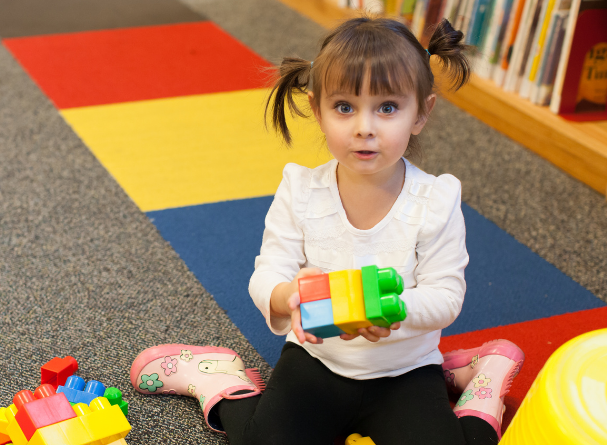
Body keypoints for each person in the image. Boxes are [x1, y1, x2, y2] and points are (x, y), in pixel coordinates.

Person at [129, 15, 524, 445]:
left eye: (387, 107)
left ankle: (481, 384)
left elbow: (446, 297)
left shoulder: (435, 200)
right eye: (344, 107)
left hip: (404, 371)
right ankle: (219, 381)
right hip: (317, 363)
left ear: (421, 113)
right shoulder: (301, 190)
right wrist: (289, 296)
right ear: (317, 111)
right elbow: (267, 275)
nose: (364, 127)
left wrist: (391, 311)